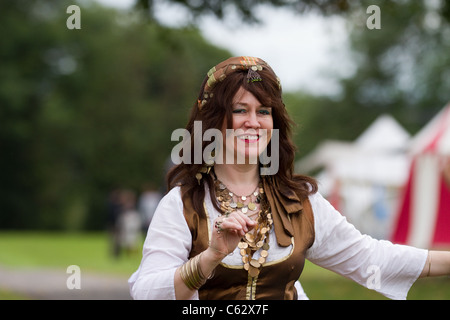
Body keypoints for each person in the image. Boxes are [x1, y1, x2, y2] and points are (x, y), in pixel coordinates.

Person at [128, 56, 450, 300]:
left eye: (264, 111)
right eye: (240, 110)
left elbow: (371, 258)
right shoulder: (183, 204)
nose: (253, 122)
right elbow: (146, 292)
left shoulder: (300, 202)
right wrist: (209, 258)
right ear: (213, 122)